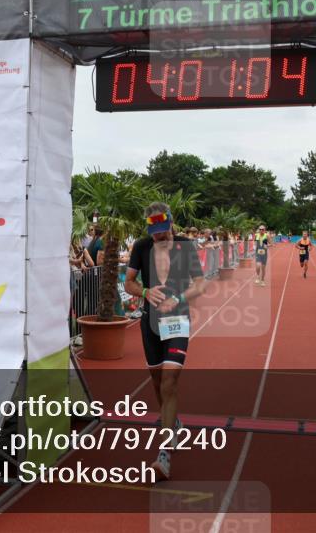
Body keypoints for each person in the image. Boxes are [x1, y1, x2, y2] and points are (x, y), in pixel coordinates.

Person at [124, 202, 206, 481]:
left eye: (164, 229)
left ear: (171, 222)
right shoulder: (141, 246)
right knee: (159, 385)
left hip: (177, 319)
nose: (160, 235)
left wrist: (179, 298)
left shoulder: (186, 246)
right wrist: (145, 292)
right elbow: (129, 282)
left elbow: (200, 284)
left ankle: (164, 453)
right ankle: (174, 423)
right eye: (155, 231)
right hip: (149, 323)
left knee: (170, 382)